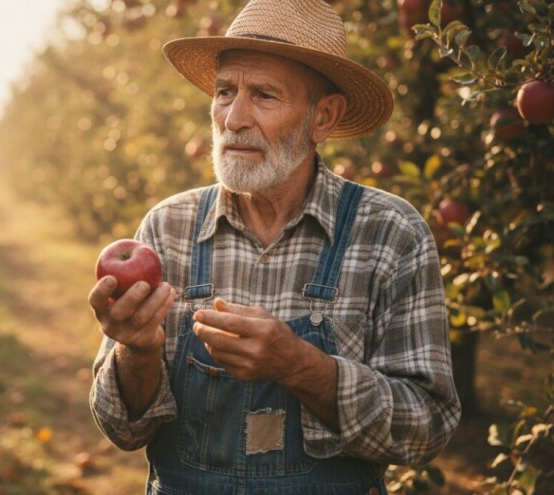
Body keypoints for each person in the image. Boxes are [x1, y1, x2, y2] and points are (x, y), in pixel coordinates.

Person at [87, 0, 462, 493]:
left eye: (264, 95)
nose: (234, 118)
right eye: (225, 92)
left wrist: (302, 367)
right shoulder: (168, 228)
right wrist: (137, 351)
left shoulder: (390, 233)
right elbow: (122, 430)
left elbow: (428, 427)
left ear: (323, 117)